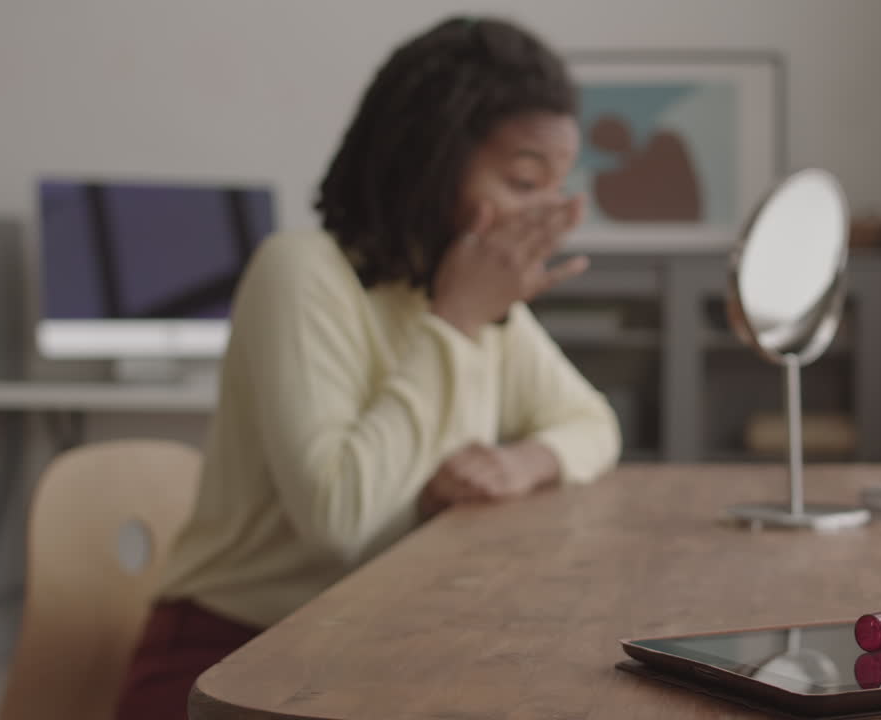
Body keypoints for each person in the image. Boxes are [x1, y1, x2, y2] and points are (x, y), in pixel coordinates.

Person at [114, 16, 621, 720]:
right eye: (524, 180)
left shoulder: (468, 297)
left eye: (557, 187)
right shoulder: (304, 273)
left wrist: (523, 463)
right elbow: (339, 517)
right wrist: (456, 322)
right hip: (231, 667)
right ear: (432, 155)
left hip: (378, 641)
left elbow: (592, 422)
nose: (549, 215)